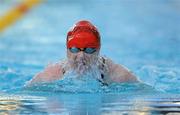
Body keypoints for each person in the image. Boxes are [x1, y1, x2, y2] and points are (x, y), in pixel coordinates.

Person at [27, 20, 138, 86]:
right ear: (67, 51)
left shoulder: (118, 76)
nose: (81, 56)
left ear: (98, 51)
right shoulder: (52, 76)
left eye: (88, 50)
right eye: (75, 49)